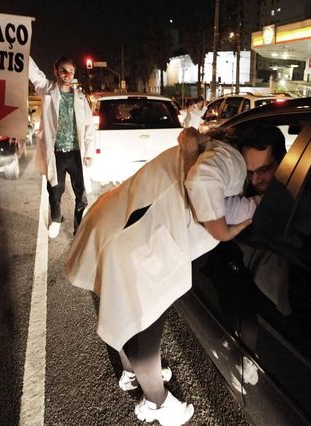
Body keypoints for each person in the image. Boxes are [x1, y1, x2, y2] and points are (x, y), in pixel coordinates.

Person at [65, 127, 252, 426]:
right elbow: (203, 185)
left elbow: (200, 178)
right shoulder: (231, 158)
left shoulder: (207, 149)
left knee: (127, 315)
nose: (259, 175)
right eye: (263, 167)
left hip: (121, 223)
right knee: (145, 329)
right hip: (139, 242)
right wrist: (234, 225)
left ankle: (131, 374)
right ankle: (156, 404)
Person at [28, 56, 96, 238]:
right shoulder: (48, 90)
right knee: (55, 190)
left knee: (80, 192)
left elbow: (89, 126)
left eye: (71, 71)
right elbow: (34, 74)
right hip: (56, 153)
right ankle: (57, 219)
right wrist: (20, 50)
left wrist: (89, 152)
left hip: (75, 153)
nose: (67, 74)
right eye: (63, 70)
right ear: (55, 71)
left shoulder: (80, 97)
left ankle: (80, 227)